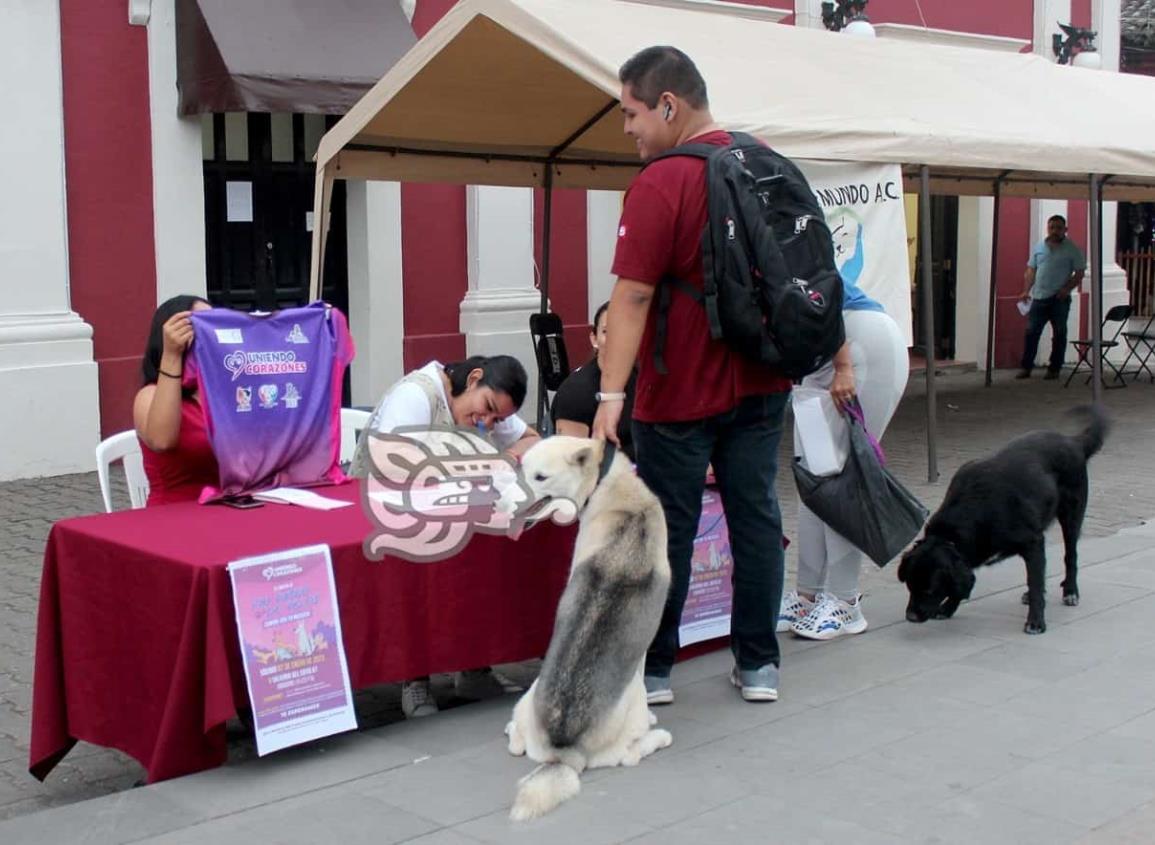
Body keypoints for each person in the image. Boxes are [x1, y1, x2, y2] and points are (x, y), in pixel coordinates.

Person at [592, 46, 792, 705]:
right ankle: (759, 664)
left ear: (669, 105)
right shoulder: (766, 162)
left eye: (632, 113)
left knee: (668, 525)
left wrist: (610, 395)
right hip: (761, 381)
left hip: (679, 387)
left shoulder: (661, 182)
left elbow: (632, 298)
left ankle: (652, 671)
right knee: (756, 515)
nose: (627, 129)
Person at [349, 354, 541, 718]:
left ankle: (473, 665)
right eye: (486, 409)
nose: (486, 423)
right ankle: (414, 677)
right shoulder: (417, 395)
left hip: (438, 511)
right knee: (424, 555)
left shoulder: (482, 406)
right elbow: (392, 465)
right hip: (379, 515)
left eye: (496, 418)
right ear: (474, 379)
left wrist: (509, 458)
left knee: (485, 553)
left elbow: (531, 439)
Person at [777, 287, 910, 640]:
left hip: (860, 345)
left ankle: (845, 600)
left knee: (841, 477)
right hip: (822, 358)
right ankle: (807, 594)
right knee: (812, 476)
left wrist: (844, 365)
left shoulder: (776, 239)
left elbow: (823, 294)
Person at [133, 295, 218, 506]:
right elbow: (162, 440)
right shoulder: (149, 395)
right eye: (200, 326)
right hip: (174, 516)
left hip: (229, 509)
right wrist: (172, 354)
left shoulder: (224, 395)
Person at [551, 301, 637, 460]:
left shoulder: (643, 380)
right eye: (607, 331)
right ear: (594, 339)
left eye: (624, 331)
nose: (617, 339)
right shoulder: (575, 393)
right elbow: (572, 465)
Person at [1016, 214, 1086, 380]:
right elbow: (1031, 269)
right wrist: (1026, 290)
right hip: (1039, 297)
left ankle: (1054, 368)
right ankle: (1026, 367)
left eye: (1058, 228)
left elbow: (1080, 272)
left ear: (1065, 230)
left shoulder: (1072, 249)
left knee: (1059, 333)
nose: (1054, 231)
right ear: (1048, 228)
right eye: (1052, 227)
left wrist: (1066, 289)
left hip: (1059, 299)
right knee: (1031, 332)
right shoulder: (1039, 247)